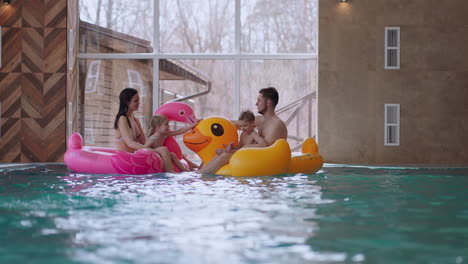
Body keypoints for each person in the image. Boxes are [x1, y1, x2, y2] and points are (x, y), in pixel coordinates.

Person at [197, 87, 288, 174]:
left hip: (265, 163)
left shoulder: (277, 125)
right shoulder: (261, 120)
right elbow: (235, 124)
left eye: (259, 100)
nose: (256, 103)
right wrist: (205, 123)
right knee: (220, 154)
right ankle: (198, 173)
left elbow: (265, 149)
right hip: (251, 156)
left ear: (268, 103)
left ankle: (200, 176)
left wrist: (233, 151)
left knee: (224, 156)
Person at [114, 88, 148, 153]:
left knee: (164, 150)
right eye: (136, 101)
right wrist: (153, 150)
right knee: (162, 151)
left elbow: (144, 142)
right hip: (124, 158)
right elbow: (130, 143)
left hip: (133, 156)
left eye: (139, 100)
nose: (139, 103)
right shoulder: (122, 119)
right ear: (127, 102)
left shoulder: (136, 120)